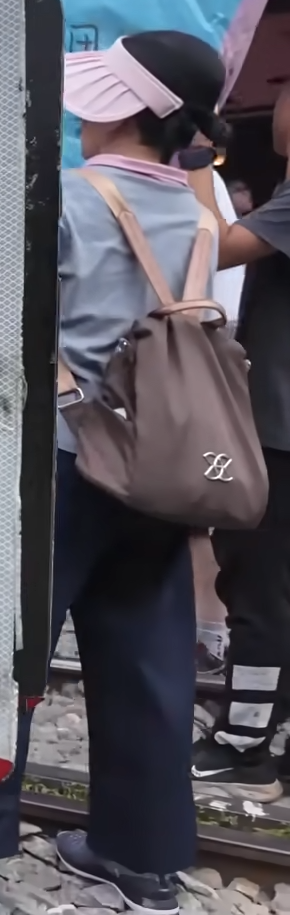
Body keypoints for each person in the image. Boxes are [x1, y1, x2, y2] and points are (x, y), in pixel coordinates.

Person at [0, 30, 230, 915]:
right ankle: (140, 860)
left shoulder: (65, 198)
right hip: (158, 469)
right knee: (147, 660)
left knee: (4, 655)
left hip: (57, 464)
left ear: (122, 109)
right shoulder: (201, 219)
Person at [182, 86, 290, 801]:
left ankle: (245, 747)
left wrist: (197, 161)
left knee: (256, 583)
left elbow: (216, 244)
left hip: (279, 429)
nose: (277, 108)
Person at [191, 156, 245, 678]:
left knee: (195, 512)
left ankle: (210, 630)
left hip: (195, 362)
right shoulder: (213, 187)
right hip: (210, 360)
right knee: (196, 513)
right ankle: (210, 631)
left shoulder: (203, 184)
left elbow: (218, 260)